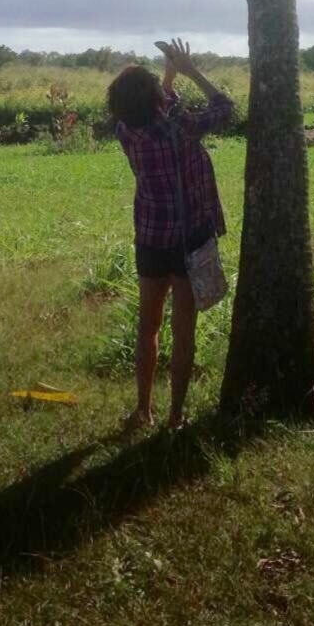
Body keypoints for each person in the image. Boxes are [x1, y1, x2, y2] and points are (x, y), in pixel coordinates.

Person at [107, 38, 233, 430]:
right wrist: (191, 69)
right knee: (184, 330)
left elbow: (155, 102)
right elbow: (225, 108)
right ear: (154, 99)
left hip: (150, 239)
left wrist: (169, 73)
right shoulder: (181, 126)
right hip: (189, 240)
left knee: (148, 328)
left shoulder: (125, 130)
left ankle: (142, 409)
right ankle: (176, 415)